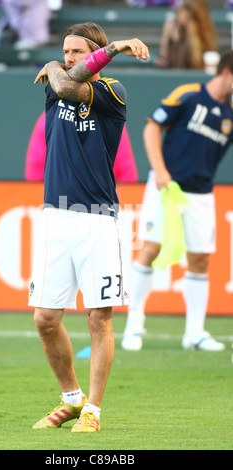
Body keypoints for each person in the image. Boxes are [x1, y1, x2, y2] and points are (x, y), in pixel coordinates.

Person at [28, 22, 149, 433]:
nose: (68, 58)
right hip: (54, 216)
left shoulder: (113, 92)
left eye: (78, 51)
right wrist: (57, 61)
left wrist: (108, 51)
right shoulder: (54, 83)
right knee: (45, 318)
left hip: (98, 218)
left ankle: (93, 409)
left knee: (99, 316)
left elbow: (71, 85)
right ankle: (71, 398)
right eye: (64, 51)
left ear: (95, 53)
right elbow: (62, 85)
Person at [122, 50, 233, 352]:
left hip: (201, 193)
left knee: (200, 258)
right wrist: (159, 169)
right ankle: (133, 326)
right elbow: (151, 126)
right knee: (151, 248)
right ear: (226, 72)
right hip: (166, 187)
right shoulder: (189, 94)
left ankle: (194, 333)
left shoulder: (230, 113)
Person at [24, 111, 139, 183]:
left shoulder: (110, 118)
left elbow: (125, 165)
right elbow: (37, 165)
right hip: (59, 199)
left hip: (102, 200)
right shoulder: (50, 117)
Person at [154, 0, 218, 69]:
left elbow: (199, 63)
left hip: (194, 74)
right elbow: (164, 54)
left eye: (186, 15)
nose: (181, 18)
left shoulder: (203, 33)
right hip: (172, 73)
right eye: (180, 13)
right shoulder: (172, 26)